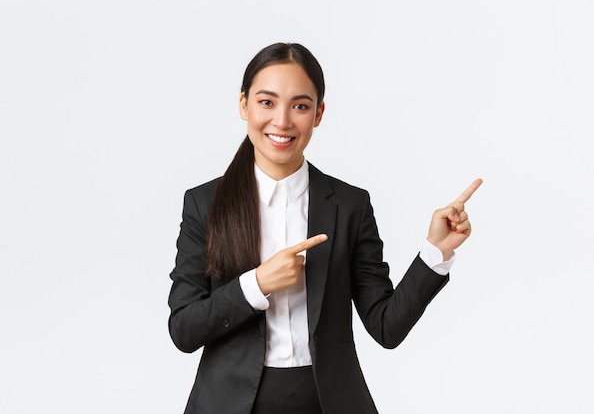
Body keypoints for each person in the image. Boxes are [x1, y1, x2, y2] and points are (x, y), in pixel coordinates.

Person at [167, 42, 482, 414]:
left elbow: (386, 327)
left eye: (300, 106)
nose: (282, 121)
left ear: (318, 114)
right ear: (244, 105)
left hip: (327, 401)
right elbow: (183, 330)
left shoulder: (350, 206)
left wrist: (435, 251)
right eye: (267, 102)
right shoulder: (204, 204)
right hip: (228, 403)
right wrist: (257, 284)